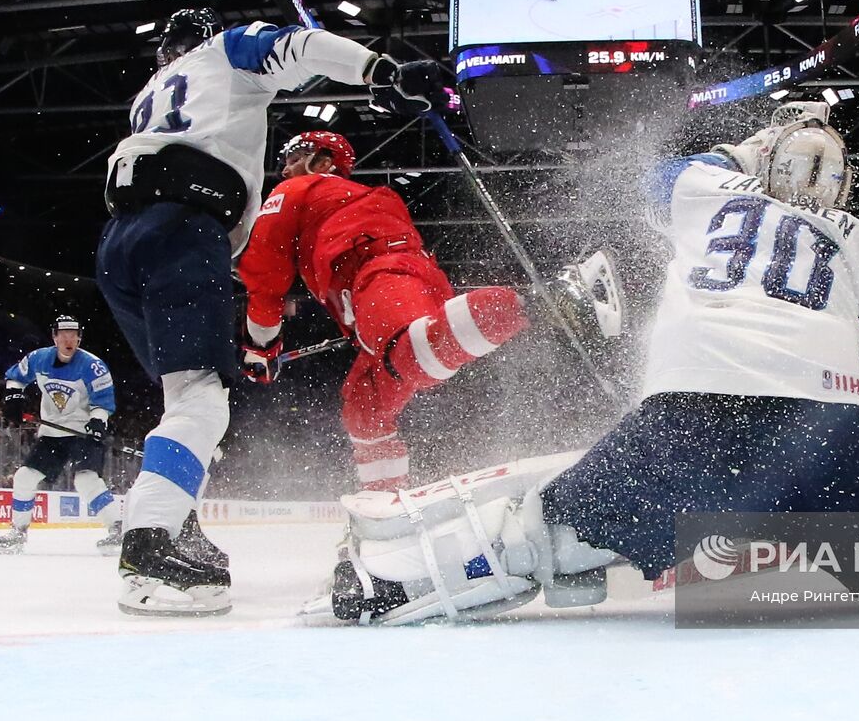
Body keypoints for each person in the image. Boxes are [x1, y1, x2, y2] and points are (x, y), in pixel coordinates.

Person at [324, 103, 859, 623]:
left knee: (552, 532)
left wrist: (744, 153)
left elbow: (659, 182)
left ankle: (394, 582)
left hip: (696, 407)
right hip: (833, 424)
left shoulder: (708, 188)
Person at [96, 7, 444, 615]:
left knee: (186, 401)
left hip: (118, 241)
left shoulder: (148, 95)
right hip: (185, 228)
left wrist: (261, 340)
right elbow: (299, 46)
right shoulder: (223, 52)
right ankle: (148, 544)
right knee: (202, 400)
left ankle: (171, 520)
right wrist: (380, 72)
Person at [236, 131, 622, 493]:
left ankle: (551, 298)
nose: (284, 168)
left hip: (378, 274)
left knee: (411, 356)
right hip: (393, 281)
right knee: (363, 408)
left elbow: (263, 274)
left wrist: (261, 346)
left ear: (322, 164)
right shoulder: (344, 201)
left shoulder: (299, 188)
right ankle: (384, 505)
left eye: (295, 158)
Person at [0, 315, 120, 556]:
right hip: (53, 432)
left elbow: (102, 401)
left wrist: (97, 421)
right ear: (54, 336)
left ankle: (117, 528)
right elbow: (15, 378)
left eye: (73, 334)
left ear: (80, 337)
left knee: (85, 480)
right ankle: (18, 531)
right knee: (24, 477)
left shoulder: (93, 366)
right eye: (63, 333)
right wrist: (14, 397)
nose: (68, 339)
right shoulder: (39, 358)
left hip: (83, 432)